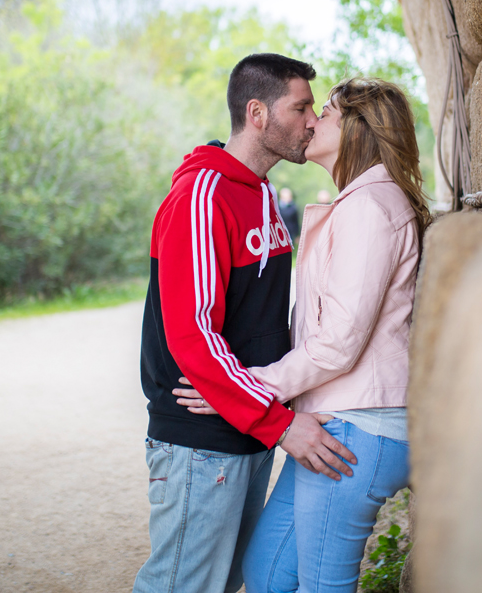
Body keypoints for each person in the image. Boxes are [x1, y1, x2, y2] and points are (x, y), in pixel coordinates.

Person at [175, 77, 432, 593]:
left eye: (328, 113)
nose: (313, 120)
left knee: (321, 585)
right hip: (334, 419)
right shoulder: (360, 202)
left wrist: (247, 387)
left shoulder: (368, 207)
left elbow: (338, 341)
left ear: (358, 130)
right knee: (268, 572)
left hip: (360, 425)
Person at [134, 54, 359, 593]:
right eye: (301, 106)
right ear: (257, 113)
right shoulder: (201, 197)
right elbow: (193, 337)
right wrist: (280, 425)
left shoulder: (259, 191)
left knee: (226, 583)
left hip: (245, 425)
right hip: (202, 438)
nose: (312, 120)